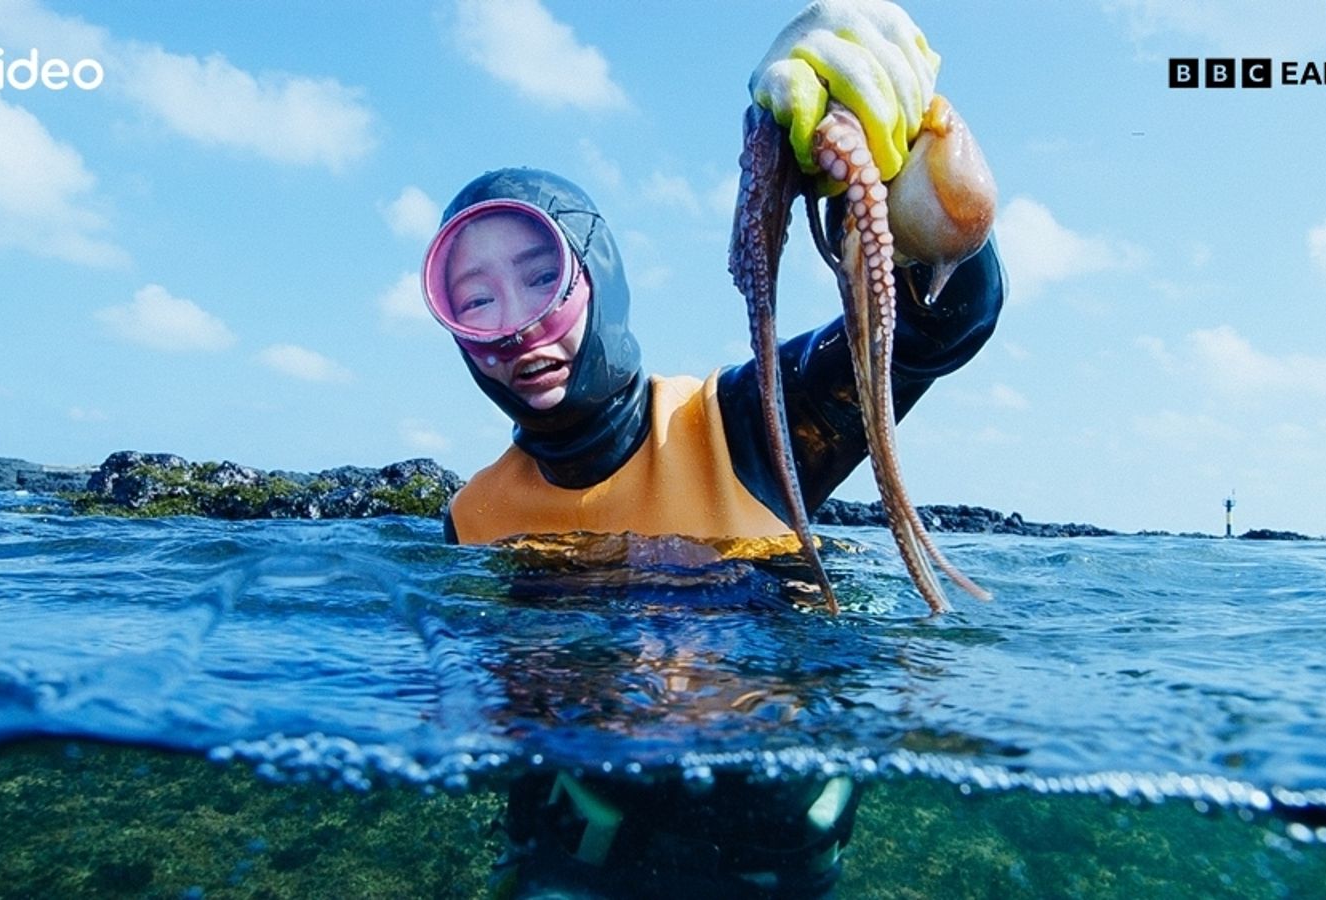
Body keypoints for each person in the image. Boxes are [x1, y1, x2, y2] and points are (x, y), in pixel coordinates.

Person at [420, 6, 1004, 896]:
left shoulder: (746, 420)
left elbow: (934, 328)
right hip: (576, 863)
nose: (518, 325)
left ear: (598, 276)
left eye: (542, 278)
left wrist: (918, 175)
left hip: (768, 859)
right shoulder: (471, 517)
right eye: (476, 299)